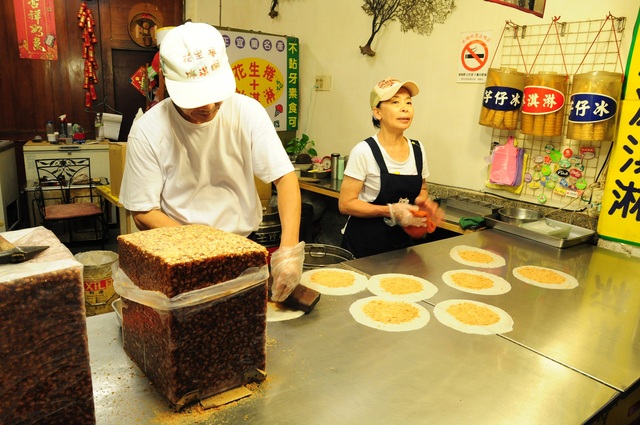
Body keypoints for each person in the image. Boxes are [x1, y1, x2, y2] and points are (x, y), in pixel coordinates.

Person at [119, 22, 304, 302]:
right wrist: (207, 246)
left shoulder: (248, 112)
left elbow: (285, 178)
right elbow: (143, 211)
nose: (207, 108)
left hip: (244, 248)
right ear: (168, 84)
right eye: (194, 100)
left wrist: (288, 249)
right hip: (177, 254)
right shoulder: (148, 130)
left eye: (215, 98)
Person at [339, 77, 444, 258]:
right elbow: (346, 204)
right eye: (395, 102)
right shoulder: (364, 151)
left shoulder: (418, 149)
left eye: (408, 102)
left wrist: (422, 207)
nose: (405, 108)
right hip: (363, 246)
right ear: (377, 113)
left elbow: (422, 189)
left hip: (401, 246)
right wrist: (390, 211)